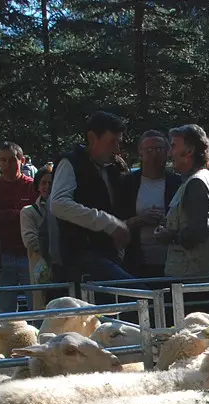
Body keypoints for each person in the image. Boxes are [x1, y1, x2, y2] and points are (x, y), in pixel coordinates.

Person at [49, 111, 139, 283]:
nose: (117, 149)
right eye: (112, 142)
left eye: (118, 143)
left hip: (111, 257)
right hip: (81, 259)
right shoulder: (71, 163)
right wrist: (108, 223)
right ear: (92, 138)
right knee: (141, 295)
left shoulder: (113, 169)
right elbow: (59, 204)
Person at [155, 124, 209, 279]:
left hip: (193, 279)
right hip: (199, 276)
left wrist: (170, 236)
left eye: (173, 146)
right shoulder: (203, 179)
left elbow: (199, 231)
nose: (169, 153)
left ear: (189, 151)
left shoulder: (197, 183)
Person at [115, 130, 183, 278]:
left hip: (172, 262)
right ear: (140, 152)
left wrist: (167, 220)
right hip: (136, 262)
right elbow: (114, 222)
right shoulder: (127, 184)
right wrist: (140, 220)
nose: (154, 154)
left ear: (167, 152)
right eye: (149, 149)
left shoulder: (178, 183)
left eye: (159, 149)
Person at [0, 142, 37, 312]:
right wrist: (20, 214)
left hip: (29, 254)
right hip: (2, 254)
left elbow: (37, 214)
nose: (7, 165)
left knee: (36, 305)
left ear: (22, 160)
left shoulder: (33, 186)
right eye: (2, 160)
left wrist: (4, 214)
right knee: (5, 310)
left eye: (12, 160)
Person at [19, 166, 54, 309]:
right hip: (41, 273)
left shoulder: (67, 210)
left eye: (51, 183)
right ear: (38, 186)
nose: (47, 186)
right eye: (43, 183)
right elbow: (30, 240)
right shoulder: (29, 212)